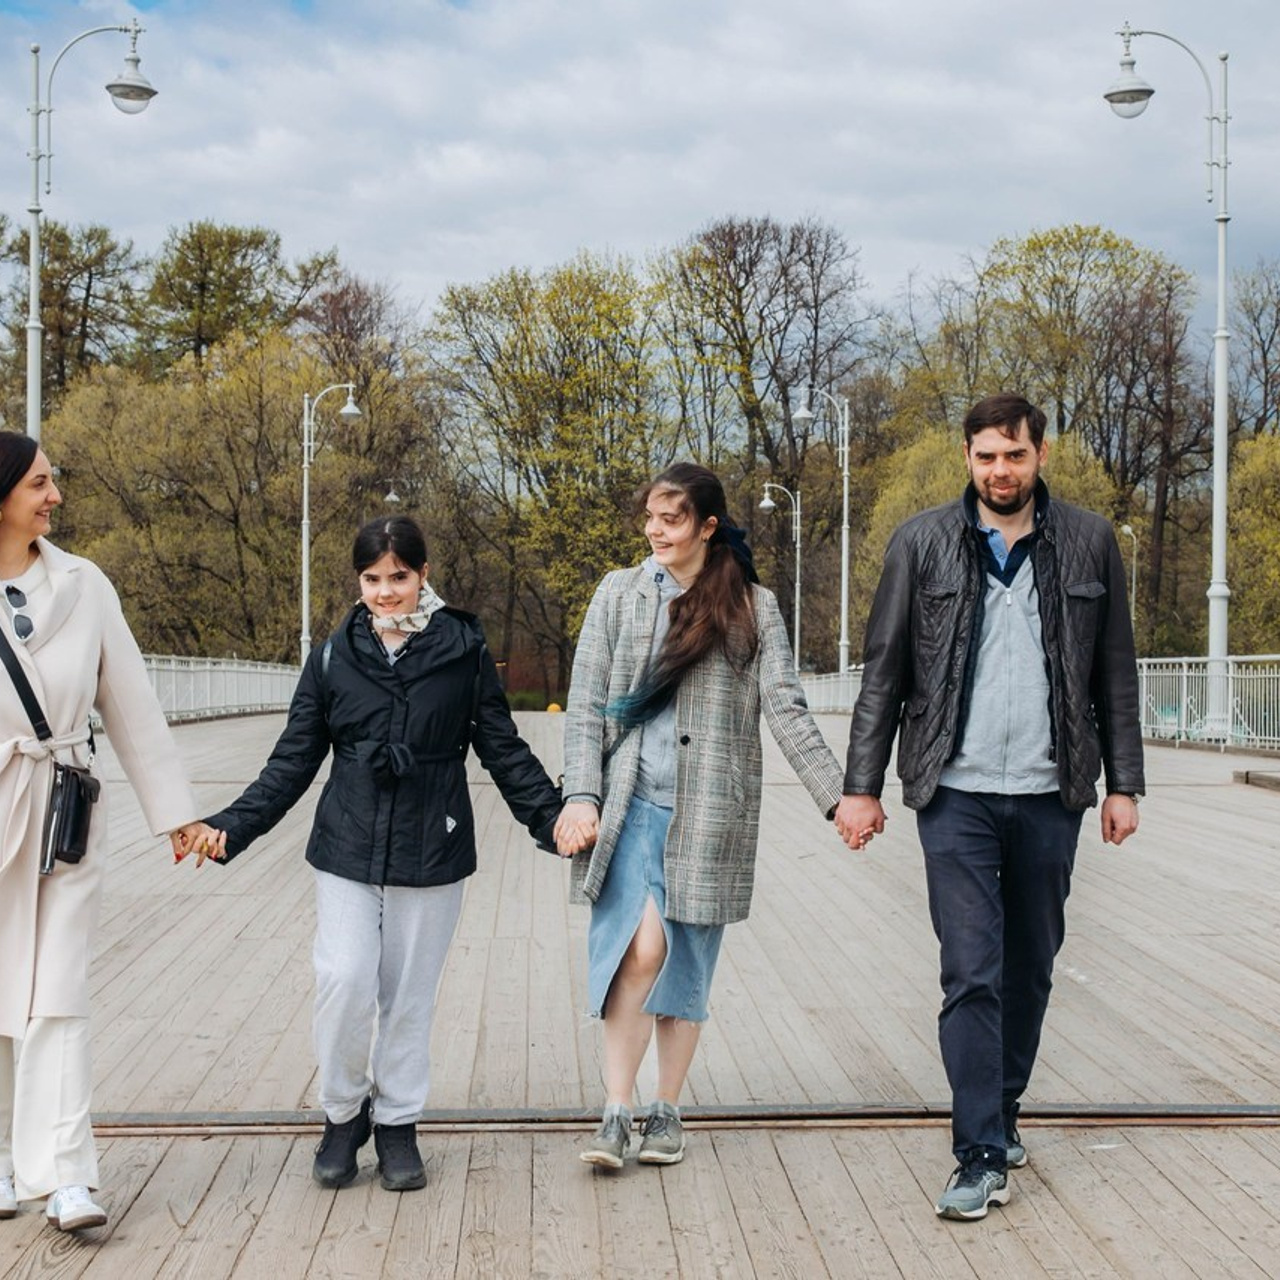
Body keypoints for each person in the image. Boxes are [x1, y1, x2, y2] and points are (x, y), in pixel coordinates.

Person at [834, 393, 1143, 1221]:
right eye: (986, 457)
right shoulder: (922, 542)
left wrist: (1124, 784)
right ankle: (977, 1153)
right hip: (955, 789)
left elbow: (1115, 670)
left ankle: (1001, 1110)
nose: (1000, 471)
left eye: (1014, 455)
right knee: (971, 969)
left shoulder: (1089, 541)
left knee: (1030, 967)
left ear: (1041, 455)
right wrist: (860, 787)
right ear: (967, 458)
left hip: (1052, 789)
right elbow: (884, 671)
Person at [189, 516, 564, 1193]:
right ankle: (342, 1114)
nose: (386, 592)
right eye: (372, 578)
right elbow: (292, 761)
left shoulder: (464, 649)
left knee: (408, 997)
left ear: (423, 575)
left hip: (432, 842)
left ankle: (396, 1122)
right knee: (344, 979)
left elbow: (501, 746)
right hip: (348, 843)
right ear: (357, 581)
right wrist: (230, 826)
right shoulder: (334, 657)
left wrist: (553, 816)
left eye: (399, 577)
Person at [555, 462, 856, 1169]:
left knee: (686, 964)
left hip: (709, 813)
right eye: (651, 518)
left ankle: (665, 1109)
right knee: (639, 951)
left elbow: (786, 709)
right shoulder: (619, 594)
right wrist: (580, 795)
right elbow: (586, 703)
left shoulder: (752, 606)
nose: (657, 531)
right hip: (630, 807)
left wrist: (837, 796)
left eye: (674, 519)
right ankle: (616, 1110)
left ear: (708, 526)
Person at [0, 433, 205, 1232]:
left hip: (64, 809)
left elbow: (131, 702)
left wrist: (175, 814)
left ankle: (67, 1175)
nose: (55, 496)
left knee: (59, 990)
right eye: (39, 483)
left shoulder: (85, 585)